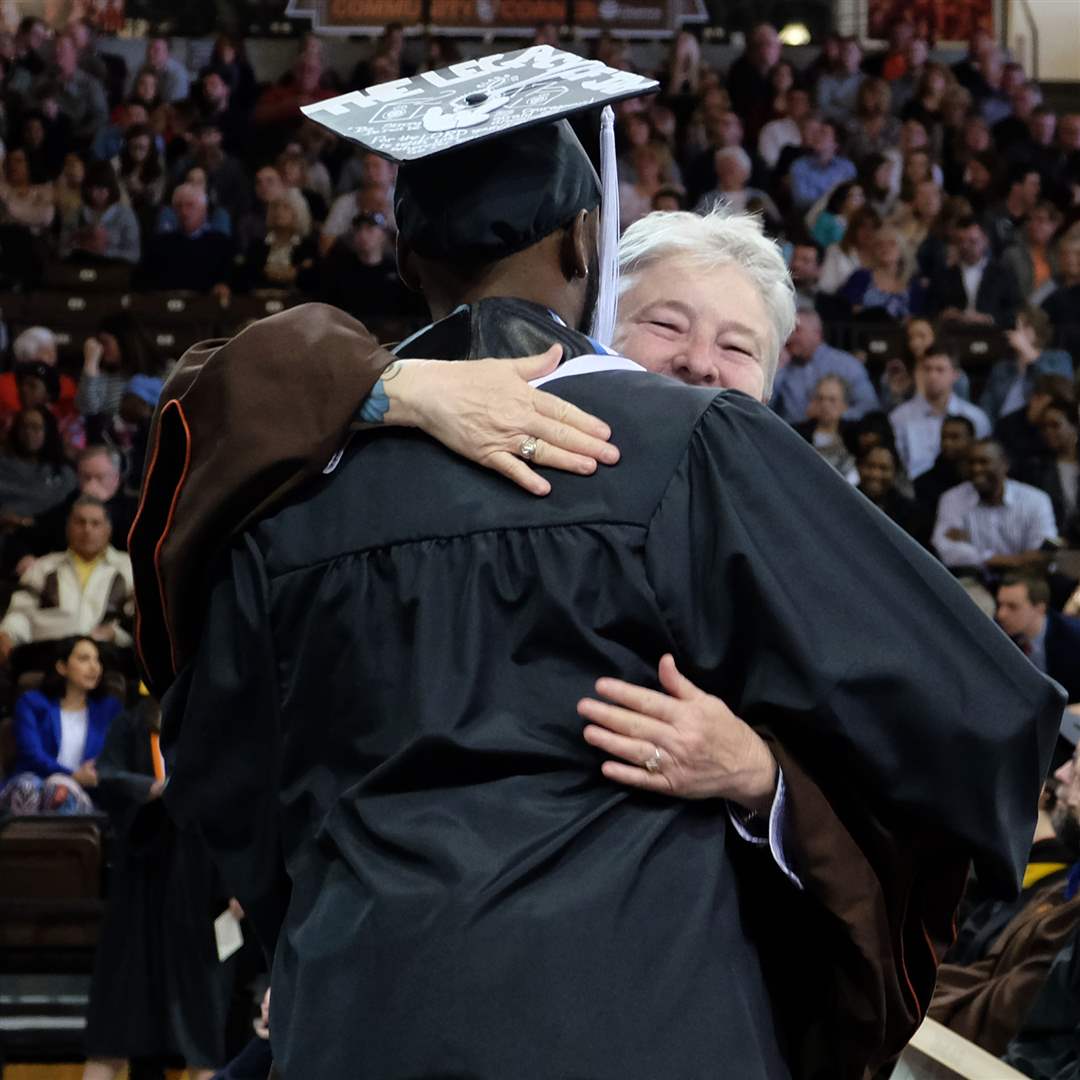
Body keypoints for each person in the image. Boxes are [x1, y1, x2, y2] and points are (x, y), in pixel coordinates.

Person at [136, 61, 1061, 1079]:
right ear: (587, 247)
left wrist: (322, 915)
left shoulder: (287, 489)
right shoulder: (697, 448)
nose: (704, 365)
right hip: (644, 1018)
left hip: (359, 1015)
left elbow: (221, 759)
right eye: (670, 325)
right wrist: (786, 783)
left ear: (403, 252)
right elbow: (969, 709)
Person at [83, 689, 235, 1080]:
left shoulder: (210, 721)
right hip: (141, 879)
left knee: (202, 1023)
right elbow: (109, 774)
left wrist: (236, 883)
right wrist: (151, 789)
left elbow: (234, 797)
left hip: (198, 880)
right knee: (122, 1017)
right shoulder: (129, 725)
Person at [929, 731, 1080, 1055]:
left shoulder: (1059, 896)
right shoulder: (1053, 894)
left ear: (1040, 793)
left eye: (1076, 765)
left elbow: (1008, 1009)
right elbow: (978, 976)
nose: (1061, 774)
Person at [0, 495, 133, 666]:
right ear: (68, 527)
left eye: (95, 523)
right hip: (48, 656)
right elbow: (21, 615)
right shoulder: (43, 567)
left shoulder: (130, 569)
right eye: (80, 522)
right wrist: (7, 634)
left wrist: (116, 634)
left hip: (106, 659)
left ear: (108, 529)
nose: (87, 529)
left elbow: (140, 620)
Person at [0, 635, 121, 815]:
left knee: (60, 793)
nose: (94, 667)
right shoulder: (32, 703)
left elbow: (115, 757)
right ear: (62, 667)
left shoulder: (109, 708)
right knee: (27, 788)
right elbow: (31, 754)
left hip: (81, 792)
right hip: (32, 782)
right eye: (84, 659)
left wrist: (85, 776)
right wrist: (71, 774)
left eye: (97, 660)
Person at [932, 440, 1058, 578]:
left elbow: (1040, 556)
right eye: (971, 462)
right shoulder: (952, 499)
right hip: (974, 579)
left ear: (1004, 464)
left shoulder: (1036, 500)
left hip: (1023, 578)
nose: (976, 469)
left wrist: (974, 553)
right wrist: (1012, 560)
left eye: (984, 462)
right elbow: (947, 550)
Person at [890, 351, 990, 479]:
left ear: (955, 374)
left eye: (940, 369)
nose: (932, 375)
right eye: (927, 369)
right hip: (913, 490)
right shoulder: (899, 417)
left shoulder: (976, 417)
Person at [770, 307, 879, 423]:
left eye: (797, 330)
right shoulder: (783, 367)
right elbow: (764, 409)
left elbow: (870, 406)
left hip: (838, 435)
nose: (790, 337)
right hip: (791, 437)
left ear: (817, 333)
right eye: (788, 331)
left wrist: (836, 417)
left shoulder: (846, 364)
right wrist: (778, 368)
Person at [979, 306, 1074, 428]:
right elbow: (987, 407)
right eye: (1015, 326)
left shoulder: (1059, 358)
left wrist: (1028, 351)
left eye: (1025, 326)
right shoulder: (1002, 368)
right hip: (1001, 430)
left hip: (1039, 429)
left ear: (1038, 330)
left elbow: (1057, 389)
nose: (1017, 330)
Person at [996, 575, 1080, 708]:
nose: (1001, 614)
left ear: (1040, 609)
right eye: (1000, 605)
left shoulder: (1073, 638)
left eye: (1012, 607)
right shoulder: (1000, 633)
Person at [927, 216, 1023, 327]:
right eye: (960, 241)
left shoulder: (1004, 275)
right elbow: (930, 311)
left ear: (985, 240)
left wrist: (989, 319)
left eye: (972, 241)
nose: (965, 246)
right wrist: (943, 315)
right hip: (953, 336)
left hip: (992, 337)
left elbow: (1015, 312)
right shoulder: (943, 275)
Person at [1019, 397, 1080, 546]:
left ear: (1075, 426)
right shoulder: (1034, 467)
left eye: (1055, 425)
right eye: (1044, 427)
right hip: (1049, 543)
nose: (1048, 432)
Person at [856, 442, 930, 546]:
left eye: (883, 468)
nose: (875, 474)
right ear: (859, 467)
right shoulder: (842, 503)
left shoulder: (911, 513)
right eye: (870, 466)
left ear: (895, 472)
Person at [793, 374, 858, 482]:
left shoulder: (853, 437)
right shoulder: (796, 433)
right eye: (820, 398)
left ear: (844, 405)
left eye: (832, 400)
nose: (825, 404)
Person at [913, 414, 976, 518]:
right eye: (944, 437)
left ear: (971, 440)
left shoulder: (979, 479)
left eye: (954, 437)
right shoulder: (923, 484)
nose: (947, 443)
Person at [789, 120, 856, 213]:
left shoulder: (846, 168)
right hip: (811, 218)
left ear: (835, 144)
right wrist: (830, 200)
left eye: (823, 133)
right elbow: (801, 201)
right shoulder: (800, 166)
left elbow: (853, 196)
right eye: (817, 132)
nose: (817, 136)